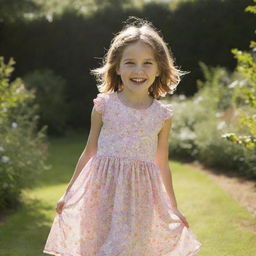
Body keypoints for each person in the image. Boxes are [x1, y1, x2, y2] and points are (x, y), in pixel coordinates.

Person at [43, 17, 202, 255]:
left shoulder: (161, 116)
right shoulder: (104, 105)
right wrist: (68, 193)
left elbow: (162, 162)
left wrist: (173, 207)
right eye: (130, 63)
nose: (139, 70)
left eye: (147, 63)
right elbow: (89, 152)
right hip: (101, 191)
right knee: (97, 246)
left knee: (131, 248)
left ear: (159, 68)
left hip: (141, 196)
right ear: (117, 67)